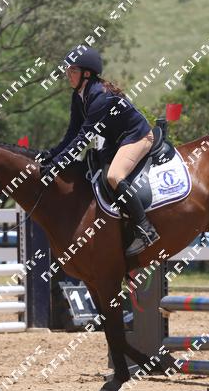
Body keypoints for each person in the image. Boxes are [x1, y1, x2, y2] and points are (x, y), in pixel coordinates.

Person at [40, 46, 160, 256]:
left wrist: (58, 165)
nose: (68, 75)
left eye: (73, 70)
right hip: (115, 141)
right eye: (67, 70)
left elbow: (83, 138)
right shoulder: (79, 96)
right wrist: (53, 154)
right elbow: (72, 133)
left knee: (114, 176)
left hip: (137, 136)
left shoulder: (100, 98)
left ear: (87, 74)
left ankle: (145, 228)